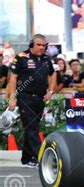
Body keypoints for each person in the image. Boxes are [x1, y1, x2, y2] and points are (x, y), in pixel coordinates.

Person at [6, 34, 56, 168]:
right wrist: (12, 98)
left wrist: (50, 91)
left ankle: (27, 159)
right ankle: (42, 157)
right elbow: (13, 78)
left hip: (40, 98)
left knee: (31, 127)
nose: (41, 48)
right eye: (39, 45)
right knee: (32, 127)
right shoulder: (21, 57)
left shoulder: (46, 58)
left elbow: (53, 74)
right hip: (25, 97)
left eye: (44, 45)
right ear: (31, 45)